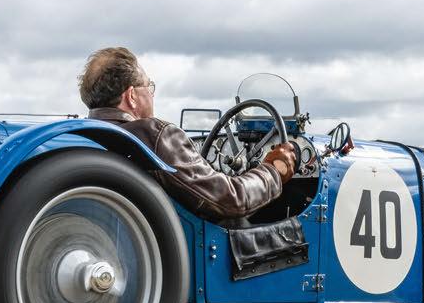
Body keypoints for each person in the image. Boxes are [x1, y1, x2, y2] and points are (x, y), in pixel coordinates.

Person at [78, 46, 295, 222]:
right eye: (148, 86)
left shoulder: (84, 137)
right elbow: (230, 200)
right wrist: (273, 172)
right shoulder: (155, 136)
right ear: (132, 96)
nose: (152, 94)